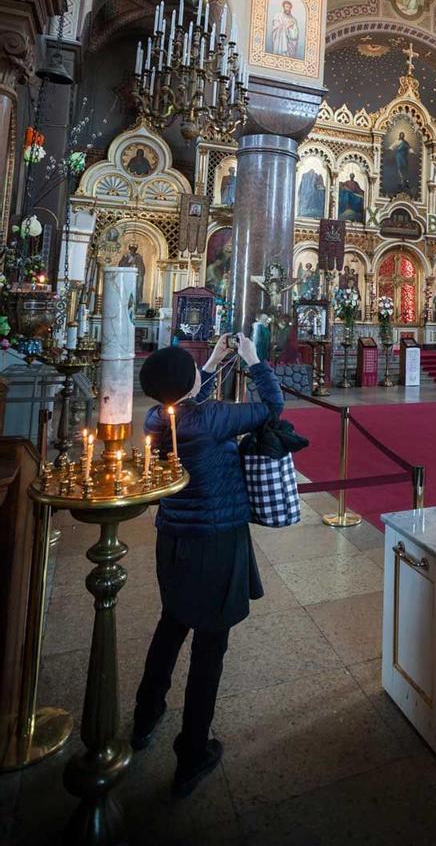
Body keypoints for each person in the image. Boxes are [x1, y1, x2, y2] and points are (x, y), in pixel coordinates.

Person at [132, 334, 284, 797]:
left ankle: (145, 716)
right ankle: (193, 751)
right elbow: (272, 406)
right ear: (187, 382)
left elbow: (189, 399)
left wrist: (214, 361)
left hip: (174, 538)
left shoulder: (159, 417)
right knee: (210, 645)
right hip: (215, 542)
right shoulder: (215, 418)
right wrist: (255, 362)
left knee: (171, 624)